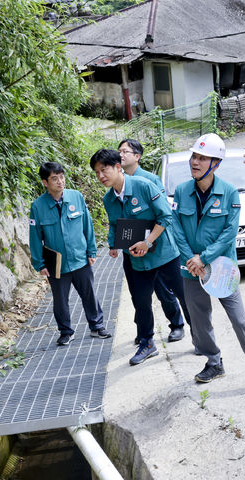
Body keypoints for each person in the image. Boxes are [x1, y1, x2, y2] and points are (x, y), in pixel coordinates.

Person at [170, 133, 245, 394]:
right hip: (191, 270)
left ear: (215, 163)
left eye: (202, 158)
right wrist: (191, 260)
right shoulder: (182, 191)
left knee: (240, 320)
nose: (195, 161)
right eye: (194, 156)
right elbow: (176, 228)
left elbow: (230, 232)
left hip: (222, 269)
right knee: (200, 322)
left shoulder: (228, 192)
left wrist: (203, 258)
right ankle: (214, 362)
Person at [91, 149, 187, 366]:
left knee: (183, 294)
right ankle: (147, 343)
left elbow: (165, 215)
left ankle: (200, 335)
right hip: (138, 260)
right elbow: (115, 225)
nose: (101, 176)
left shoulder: (144, 185)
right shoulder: (109, 199)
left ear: (117, 167)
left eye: (104, 170)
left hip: (164, 255)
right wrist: (113, 243)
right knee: (141, 302)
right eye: (97, 173)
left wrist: (148, 242)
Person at [29, 162, 111, 346]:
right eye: (54, 178)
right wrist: (39, 264)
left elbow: (87, 226)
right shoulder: (38, 206)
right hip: (56, 264)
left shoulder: (76, 197)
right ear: (45, 182)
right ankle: (66, 331)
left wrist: (91, 250)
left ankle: (97, 326)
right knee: (60, 300)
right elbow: (35, 237)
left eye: (61, 177)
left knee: (89, 293)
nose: (60, 181)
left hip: (80, 258)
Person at [118, 138, 190, 343]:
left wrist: (148, 241)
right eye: (119, 152)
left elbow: (164, 215)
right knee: (139, 295)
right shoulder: (117, 183)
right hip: (131, 250)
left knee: (164, 288)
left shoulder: (149, 180)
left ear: (137, 157)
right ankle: (144, 333)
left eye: (125, 151)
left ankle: (177, 324)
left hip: (156, 247)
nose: (121, 155)